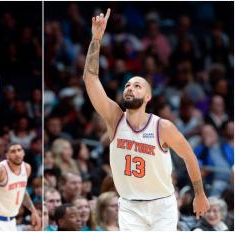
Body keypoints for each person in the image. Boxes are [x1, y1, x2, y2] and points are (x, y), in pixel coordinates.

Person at [82, 8, 209, 230]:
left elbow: (189, 156)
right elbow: (90, 79)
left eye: (137, 85)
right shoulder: (115, 119)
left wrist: (200, 194)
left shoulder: (162, 127)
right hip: (130, 206)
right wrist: (96, 39)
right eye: (128, 85)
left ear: (148, 97)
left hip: (162, 205)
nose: (130, 88)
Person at [0, 143, 41, 231]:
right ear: (7, 155)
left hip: (11, 222)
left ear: (23, 153)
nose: (17, 154)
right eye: (13, 151)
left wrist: (34, 211)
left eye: (19, 150)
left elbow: (21, 191)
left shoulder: (27, 168)